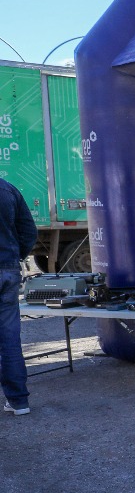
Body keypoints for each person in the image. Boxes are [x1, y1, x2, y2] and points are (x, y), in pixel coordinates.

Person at [0, 176, 36, 416]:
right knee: (10, 338)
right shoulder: (8, 189)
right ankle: (19, 402)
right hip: (7, 270)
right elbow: (29, 231)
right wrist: (14, 258)